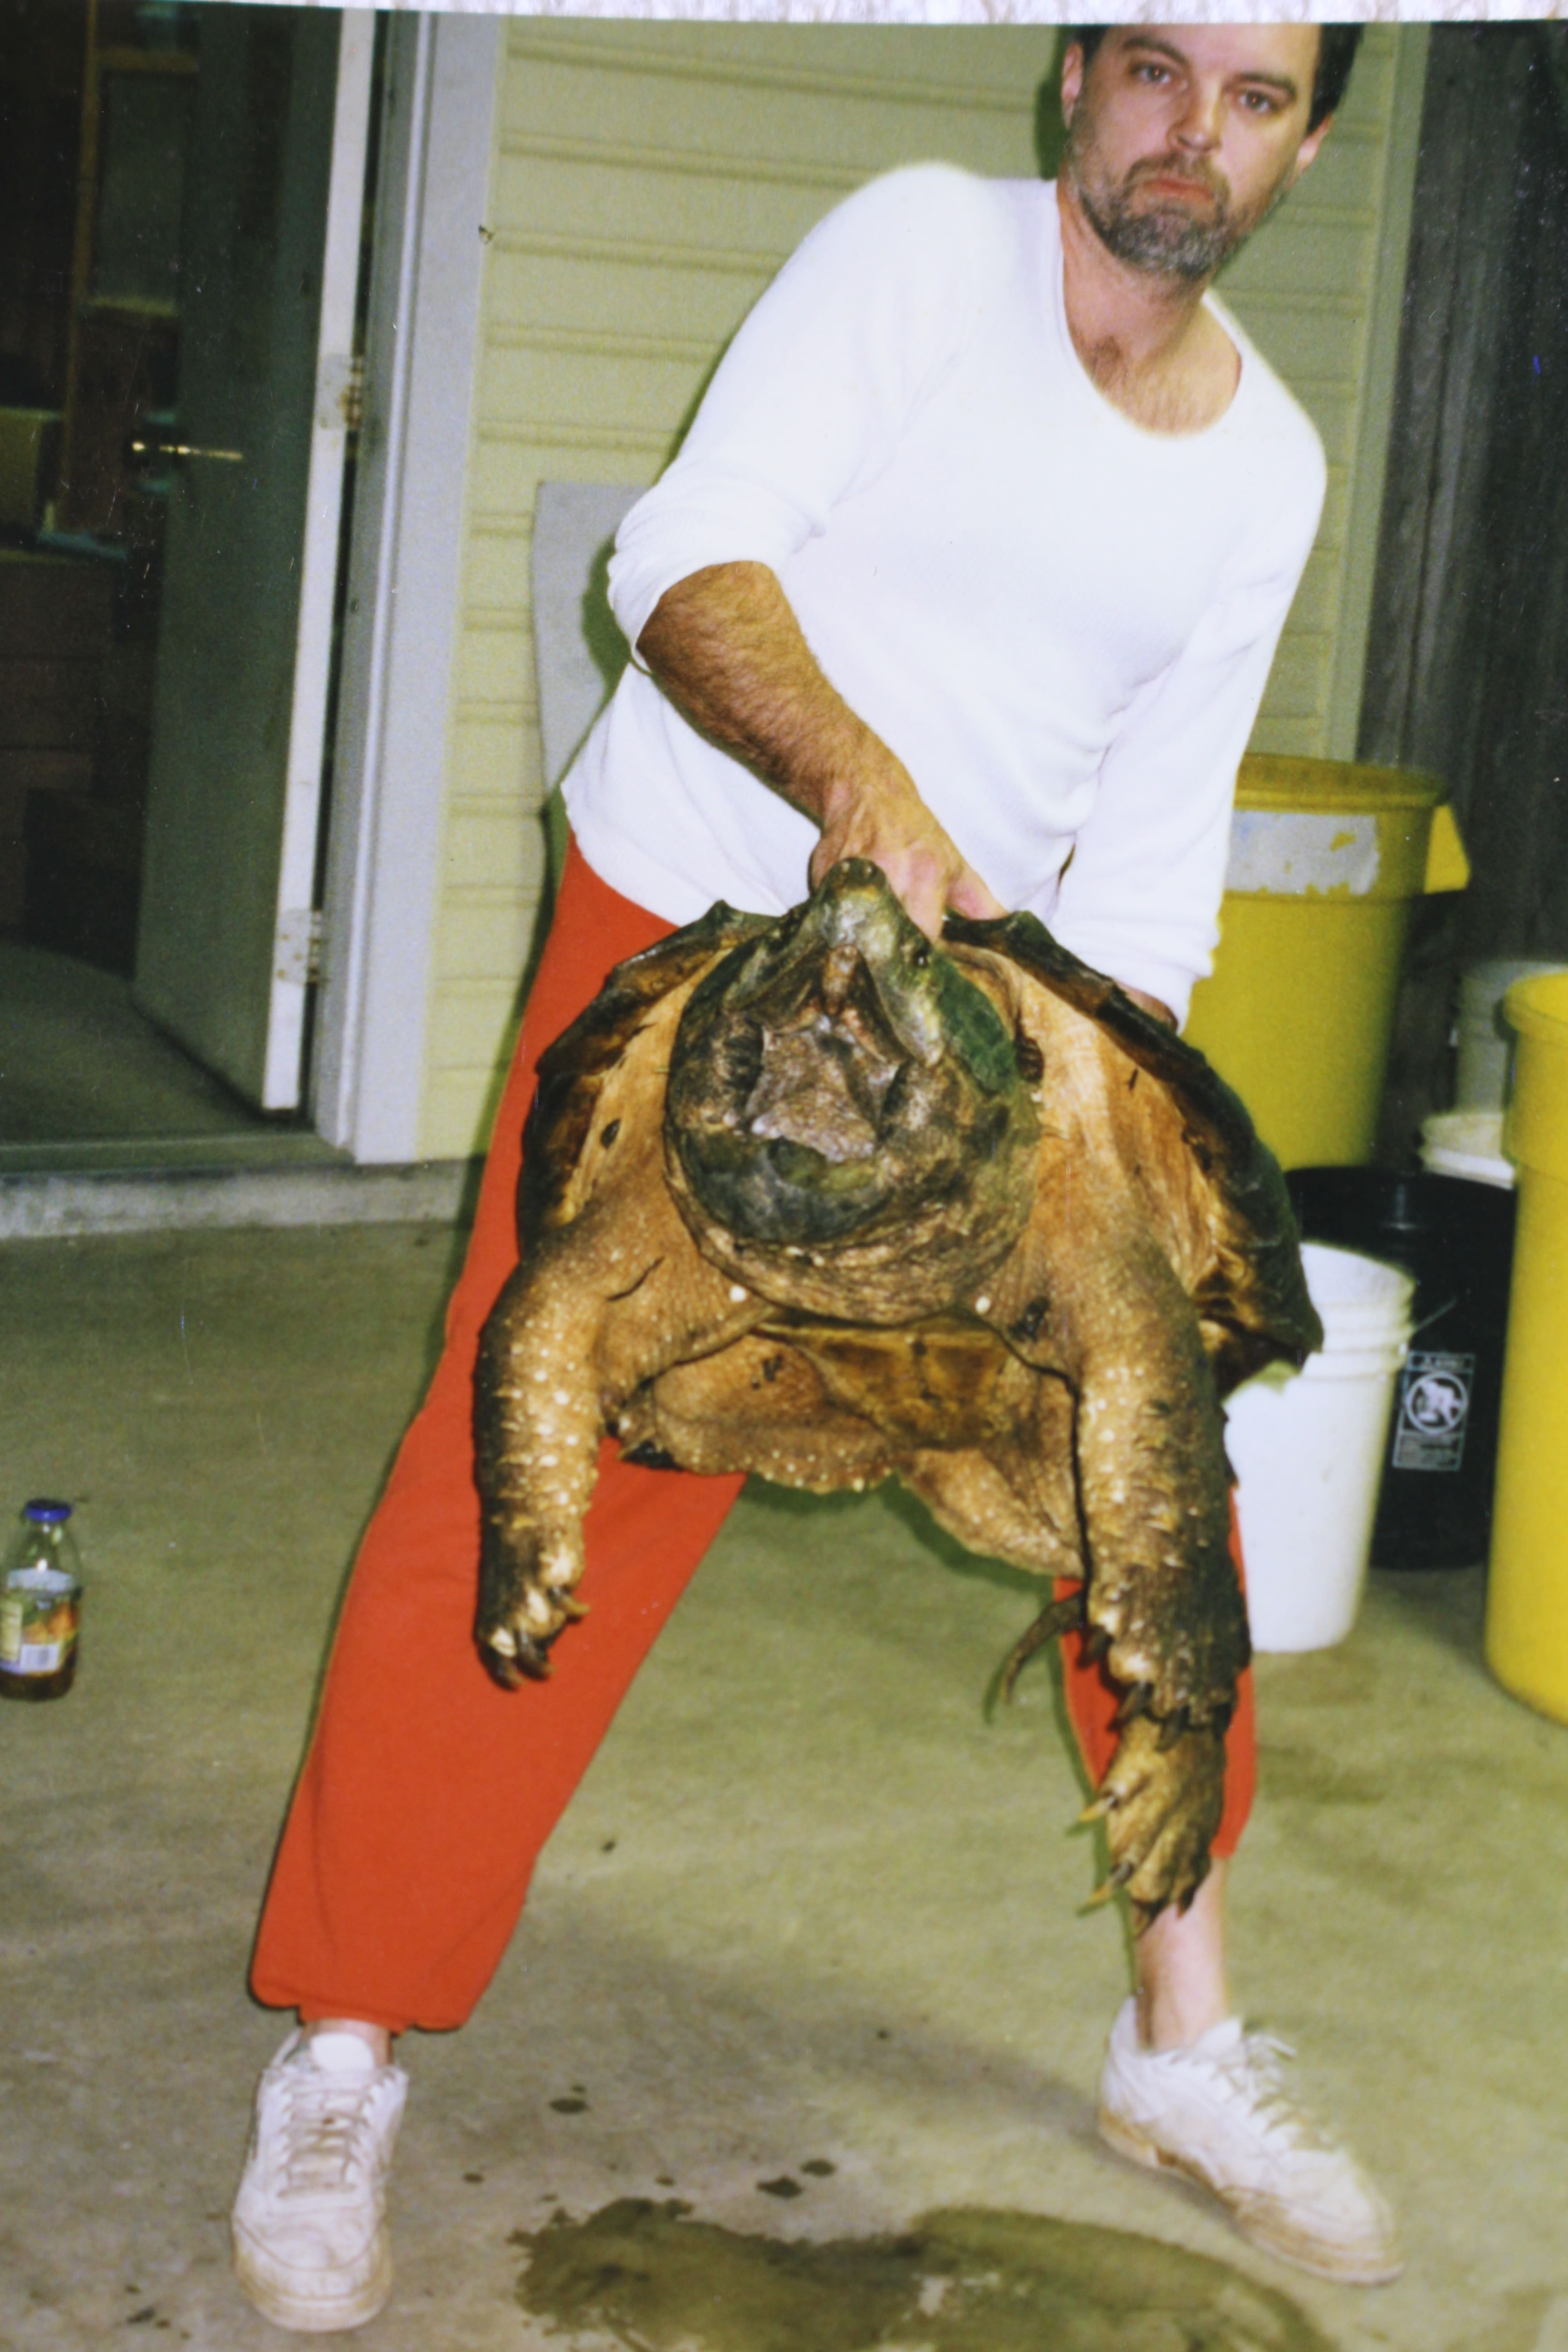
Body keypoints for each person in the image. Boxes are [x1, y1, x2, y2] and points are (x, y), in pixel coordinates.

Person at [231, 24, 1402, 2333]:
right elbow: (681, 560)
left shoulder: (1264, 463)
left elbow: (1156, 841)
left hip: (985, 1009)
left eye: (1255, 97)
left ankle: (1185, 2043)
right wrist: (862, 794)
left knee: (1146, 1459)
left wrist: (1111, 1124)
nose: (1195, 131)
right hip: (689, 942)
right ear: (1075, 79)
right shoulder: (911, 260)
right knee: (534, 1457)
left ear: (1306, 140)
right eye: (1157, 68)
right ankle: (345, 2037)